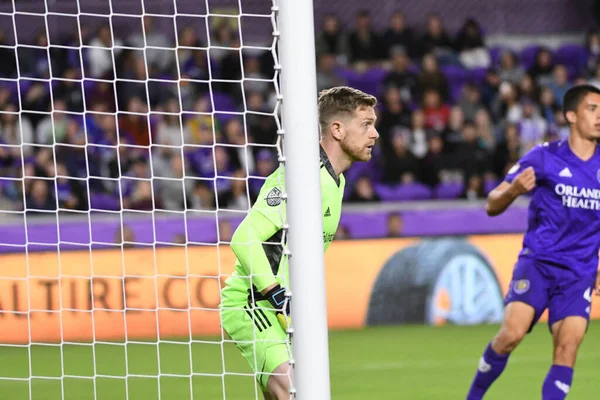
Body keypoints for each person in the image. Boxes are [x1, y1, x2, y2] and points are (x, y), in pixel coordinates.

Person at [220, 86, 379, 400]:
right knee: (297, 393)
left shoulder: (337, 179)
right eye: (366, 124)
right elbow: (244, 237)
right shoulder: (301, 175)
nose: (374, 134)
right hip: (256, 304)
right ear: (336, 129)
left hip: (289, 313)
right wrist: (276, 294)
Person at [466, 84, 600, 399]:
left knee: (567, 348)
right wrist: (513, 191)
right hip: (538, 263)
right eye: (592, 109)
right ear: (571, 115)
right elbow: (492, 203)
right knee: (510, 336)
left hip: (578, 272)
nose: (599, 116)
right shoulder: (544, 157)